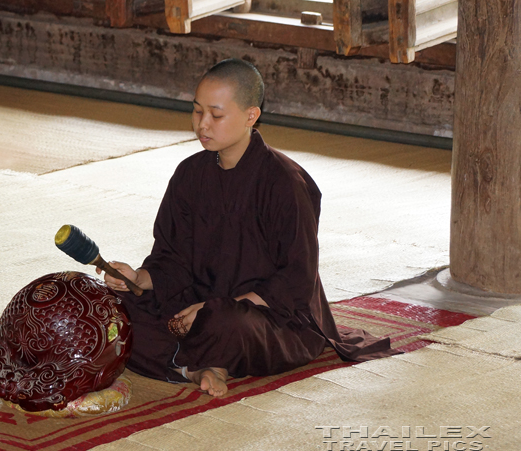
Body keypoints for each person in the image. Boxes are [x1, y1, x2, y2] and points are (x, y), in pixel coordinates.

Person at [97, 59, 397, 398]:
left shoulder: (285, 182)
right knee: (109, 308)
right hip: (196, 304)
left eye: (216, 115)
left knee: (227, 323)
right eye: (197, 112)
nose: (203, 125)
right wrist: (138, 278)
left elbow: (296, 281)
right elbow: (172, 258)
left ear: (251, 116)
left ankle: (190, 359)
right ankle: (198, 367)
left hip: (267, 318)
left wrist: (217, 310)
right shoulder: (189, 174)